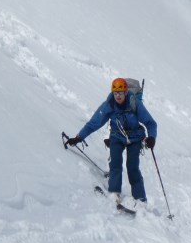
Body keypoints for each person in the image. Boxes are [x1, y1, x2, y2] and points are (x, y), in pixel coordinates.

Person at [66, 77, 157, 205]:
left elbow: (150, 123)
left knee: (132, 167)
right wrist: (78, 138)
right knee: (115, 164)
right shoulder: (109, 105)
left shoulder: (134, 103)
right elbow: (94, 123)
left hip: (135, 138)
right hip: (117, 136)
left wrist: (152, 137)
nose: (118, 96)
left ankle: (140, 199)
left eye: (120, 93)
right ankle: (114, 192)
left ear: (126, 92)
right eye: (115, 93)